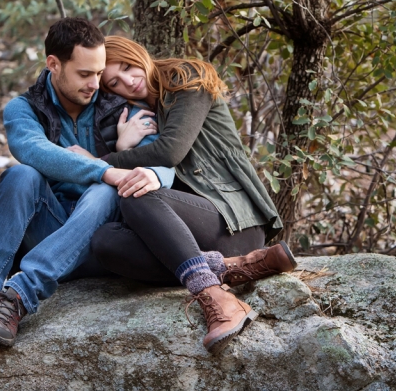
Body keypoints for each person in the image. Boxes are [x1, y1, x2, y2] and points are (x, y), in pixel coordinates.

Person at [0, 19, 174, 355]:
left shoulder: (121, 108)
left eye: (98, 72)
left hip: (101, 241)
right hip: (49, 231)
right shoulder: (24, 109)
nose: (96, 83)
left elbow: (164, 162)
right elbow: (32, 150)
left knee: (105, 191)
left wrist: (153, 174)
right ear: (54, 64)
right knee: (21, 175)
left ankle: (17, 296)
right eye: (84, 74)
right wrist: (104, 168)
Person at [72, 36, 296, 355]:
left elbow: (171, 151)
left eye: (127, 67)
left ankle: (215, 296)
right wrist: (124, 146)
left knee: (136, 191)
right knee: (107, 242)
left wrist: (96, 164)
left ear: (139, 53)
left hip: (234, 223)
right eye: (115, 82)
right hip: (194, 239)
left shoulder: (186, 78)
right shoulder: (138, 115)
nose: (128, 80)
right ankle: (228, 266)